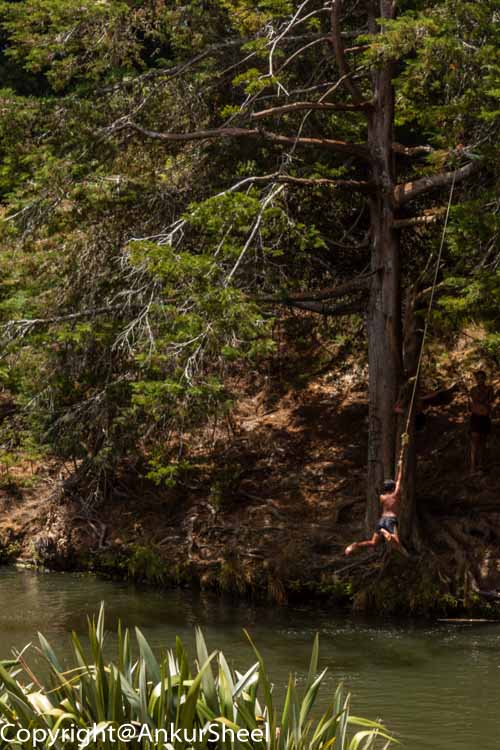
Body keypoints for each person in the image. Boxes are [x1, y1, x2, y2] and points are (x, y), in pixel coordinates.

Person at [344, 460, 403, 555]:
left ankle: (356, 545)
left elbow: (395, 484)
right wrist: (401, 467)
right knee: (396, 542)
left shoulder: (382, 497)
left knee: (373, 542)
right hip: (390, 520)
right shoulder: (395, 495)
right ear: (393, 488)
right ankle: (385, 532)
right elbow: (399, 480)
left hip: (381, 520)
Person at [469, 370, 494, 474]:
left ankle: (481, 466)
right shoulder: (473, 389)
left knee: (483, 443)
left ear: (485, 378)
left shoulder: (489, 388)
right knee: (475, 443)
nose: (480, 380)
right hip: (475, 417)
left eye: (482, 378)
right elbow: (473, 402)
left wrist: (483, 402)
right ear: (476, 379)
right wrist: (481, 402)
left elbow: (489, 401)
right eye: (478, 378)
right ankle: (472, 467)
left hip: (484, 418)